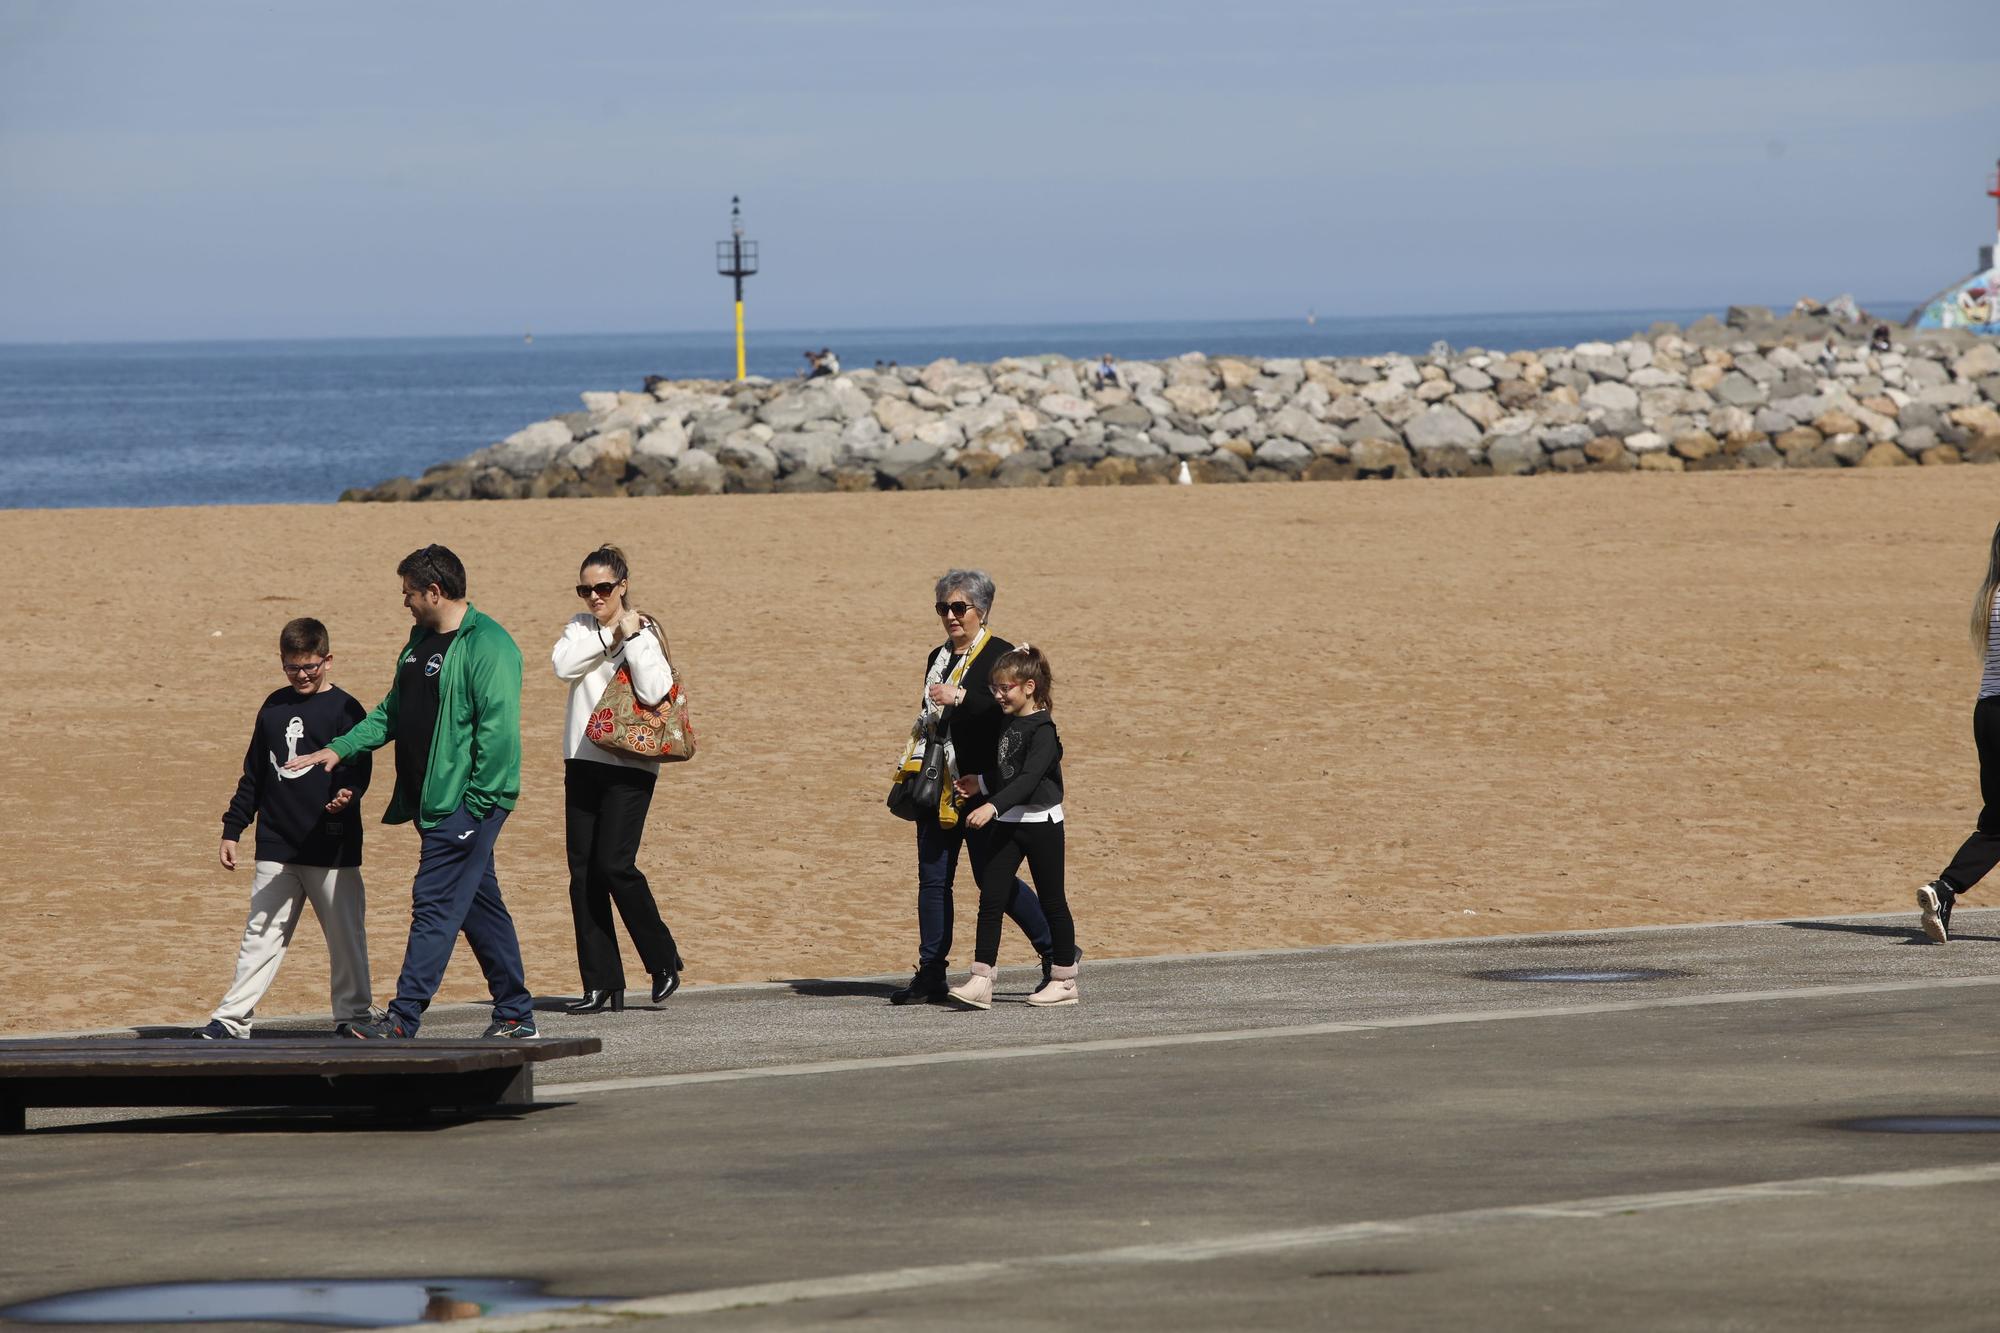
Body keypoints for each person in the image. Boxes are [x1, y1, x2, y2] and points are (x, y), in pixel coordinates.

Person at [288, 544, 536, 1039]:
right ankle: (514, 1013)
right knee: (478, 905)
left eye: (409, 594)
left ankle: (403, 1019)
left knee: (434, 901)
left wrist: (477, 806)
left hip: (467, 804)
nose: (404, 602)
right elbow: (390, 713)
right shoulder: (419, 641)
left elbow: (499, 733)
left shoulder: (490, 646)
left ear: (434, 591)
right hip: (434, 801)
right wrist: (340, 748)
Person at [194, 617, 375, 1039]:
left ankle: (353, 1018)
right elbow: (254, 774)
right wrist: (232, 828)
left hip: (331, 845)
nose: (302, 675)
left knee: (346, 938)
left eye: (310, 666)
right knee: (259, 934)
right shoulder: (274, 707)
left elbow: (359, 767)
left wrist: (348, 793)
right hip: (277, 843)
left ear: (328, 660)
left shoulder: (347, 709)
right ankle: (231, 1019)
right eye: (292, 667)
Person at [889, 570, 1053, 1004]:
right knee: (933, 880)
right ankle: (931, 973)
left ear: (982, 610)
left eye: (959, 608)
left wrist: (961, 699)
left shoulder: (1001, 655)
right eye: (943, 608)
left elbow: (1010, 715)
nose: (950, 616)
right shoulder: (936, 657)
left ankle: (1056, 954)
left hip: (981, 785)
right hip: (936, 783)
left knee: (991, 878)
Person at [551, 543, 685, 1012]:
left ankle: (662, 956)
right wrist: (609, 637)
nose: (594, 596)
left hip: (630, 766)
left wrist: (632, 637)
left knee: (615, 865)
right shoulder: (580, 628)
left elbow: (654, 689)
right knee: (582, 874)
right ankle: (601, 982)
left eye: (603, 587)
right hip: (582, 760)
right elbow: (563, 666)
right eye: (585, 588)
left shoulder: (644, 629)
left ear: (622, 586)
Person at [946, 644, 1081, 1009]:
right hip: (1008, 820)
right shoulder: (1011, 720)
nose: (999, 695)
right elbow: (1008, 768)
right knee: (991, 897)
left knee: (1053, 901)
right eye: (996, 687)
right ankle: (981, 978)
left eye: (1006, 688)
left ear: (1030, 687)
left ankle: (1064, 979)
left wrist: (991, 805)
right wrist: (982, 783)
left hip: (1041, 824)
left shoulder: (1043, 730)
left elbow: (1028, 779)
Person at [1918, 520, 2000, 943]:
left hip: (1987, 713)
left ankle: (1943, 891)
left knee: (1998, 820)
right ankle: (1947, 886)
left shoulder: (1991, 597)